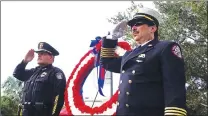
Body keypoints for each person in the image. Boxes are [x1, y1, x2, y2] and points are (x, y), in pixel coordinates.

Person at [100, 7, 187, 116]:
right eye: (132, 25)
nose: (133, 28)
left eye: (138, 24)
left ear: (152, 28)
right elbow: (107, 63)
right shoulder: (129, 55)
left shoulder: (165, 48)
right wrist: (111, 39)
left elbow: (174, 86)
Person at [13, 42, 66, 116]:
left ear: (51, 57)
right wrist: (25, 61)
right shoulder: (33, 71)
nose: (39, 55)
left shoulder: (55, 73)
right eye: (38, 54)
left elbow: (60, 96)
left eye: (43, 53)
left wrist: (55, 114)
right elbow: (17, 74)